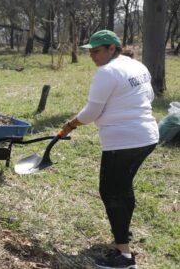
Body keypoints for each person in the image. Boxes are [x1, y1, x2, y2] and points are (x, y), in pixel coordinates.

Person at [59, 30, 157, 269]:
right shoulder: (136, 66)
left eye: (97, 50)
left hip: (123, 141)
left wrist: (69, 125)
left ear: (113, 48)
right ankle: (123, 232)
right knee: (123, 187)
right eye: (90, 51)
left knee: (111, 191)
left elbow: (92, 113)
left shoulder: (107, 72)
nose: (93, 55)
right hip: (147, 137)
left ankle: (123, 257)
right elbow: (150, 96)